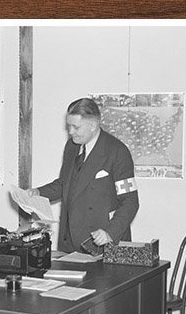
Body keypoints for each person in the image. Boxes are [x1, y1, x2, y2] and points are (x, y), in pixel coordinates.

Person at [30, 97, 139, 253]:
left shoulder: (117, 152)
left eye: (76, 127)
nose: (70, 132)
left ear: (93, 125)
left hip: (101, 243)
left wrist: (110, 233)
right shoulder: (72, 147)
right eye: (69, 126)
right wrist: (38, 193)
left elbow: (130, 201)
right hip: (70, 243)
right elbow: (65, 184)